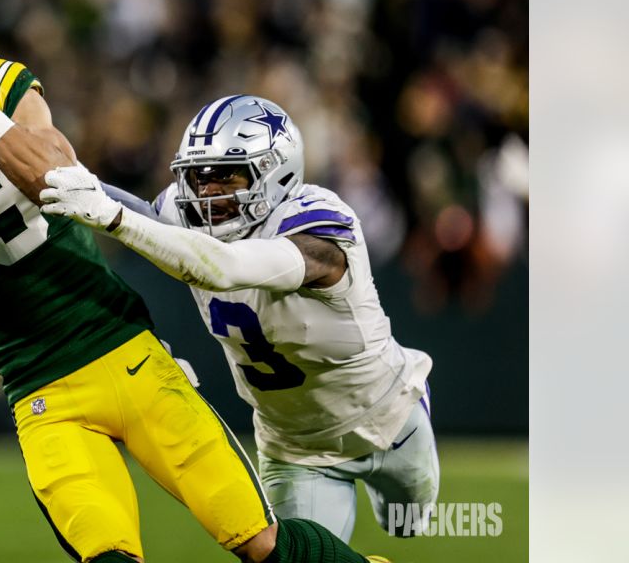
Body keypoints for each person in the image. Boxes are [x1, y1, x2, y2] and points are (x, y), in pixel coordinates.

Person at [0, 10, 385, 563]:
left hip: (125, 350)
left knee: (261, 543)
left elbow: (57, 177)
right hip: (42, 392)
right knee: (108, 555)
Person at [38, 94, 439, 542]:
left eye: (226, 175)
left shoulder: (321, 227)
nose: (207, 193)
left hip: (388, 418)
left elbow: (225, 266)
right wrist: (7, 113)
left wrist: (112, 217)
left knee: (409, 528)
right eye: (198, 177)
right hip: (294, 448)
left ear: (276, 170)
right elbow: (88, 189)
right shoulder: (183, 213)